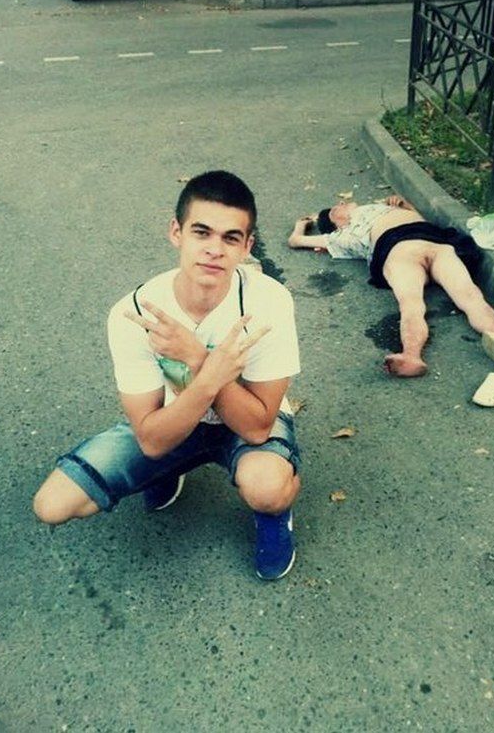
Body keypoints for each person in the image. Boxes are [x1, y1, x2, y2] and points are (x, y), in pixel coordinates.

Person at [34, 171, 302, 581]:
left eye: (231, 238)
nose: (214, 249)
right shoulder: (135, 312)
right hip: (176, 418)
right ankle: (171, 468)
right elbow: (151, 439)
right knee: (52, 504)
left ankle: (275, 515)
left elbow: (256, 427)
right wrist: (209, 377)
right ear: (176, 232)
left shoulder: (269, 301)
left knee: (267, 487)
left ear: (247, 247)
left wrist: (195, 357)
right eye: (201, 232)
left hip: (245, 418)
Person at [288, 194, 494, 377]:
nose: (340, 204)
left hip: (435, 243)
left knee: (471, 296)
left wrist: (404, 204)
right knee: (411, 305)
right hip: (398, 250)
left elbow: (419, 218)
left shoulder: (383, 207)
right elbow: (295, 242)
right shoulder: (343, 237)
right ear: (336, 223)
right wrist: (302, 226)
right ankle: (411, 356)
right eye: (334, 210)